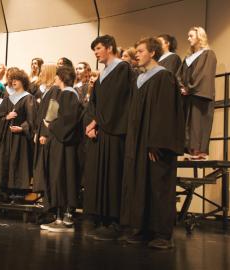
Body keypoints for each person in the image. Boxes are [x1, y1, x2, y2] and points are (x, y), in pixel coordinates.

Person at [120, 37, 184, 249]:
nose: (136, 54)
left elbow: (165, 114)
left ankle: (162, 234)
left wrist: (156, 143)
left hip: (155, 144)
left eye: (140, 51)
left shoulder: (164, 77)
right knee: (139, 184)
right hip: (137, 144)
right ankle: (141, 228)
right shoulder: (140, 79)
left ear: (153, 53)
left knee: (157, 185)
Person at [83, 35, 135, 241]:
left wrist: (97, 121)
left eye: (98, 48)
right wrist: (91, 123)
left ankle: (115, 221)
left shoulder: (122, 69)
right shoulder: (103, 73)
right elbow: (94, 101)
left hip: (115, 130)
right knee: (100, 174)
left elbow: (117, 101)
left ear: (110, 48)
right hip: (102, 130)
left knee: (114, 175)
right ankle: (102, 217)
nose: (95, 53)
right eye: (94, 49)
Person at [40, 66, 82, 232]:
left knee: (65, 176)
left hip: (66, 146)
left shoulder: (70, 94)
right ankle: (58, 217)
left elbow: (68, 121)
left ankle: (66, 218)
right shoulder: (62, 94)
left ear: (62, 77)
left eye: (57, 76)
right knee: (57, 177)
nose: (55, 79)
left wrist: (51, 126)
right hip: (58, 142)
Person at [177, 27, 217, 160]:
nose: (188, 39)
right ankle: (191, 151)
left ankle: (200, 152)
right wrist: (182, 86)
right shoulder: (188, 57)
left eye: (191, 36)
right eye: (188, 36)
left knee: (199, 123)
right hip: (188, 95)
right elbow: (179, 74)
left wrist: (189, 88)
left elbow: (203, 74)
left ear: (200, 37)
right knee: (189, 124)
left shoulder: (208, 54)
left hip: (200, 95)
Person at [0, 70, 36, 198]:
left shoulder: (28, 97)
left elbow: (32, 120)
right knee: (7, 160)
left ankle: (19, 191)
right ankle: (6, 190)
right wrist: (7, 117)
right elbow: (0, 117)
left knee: (19, 161)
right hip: (8, 137)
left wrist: (22, 128)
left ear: (23, 81)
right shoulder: (8, 98)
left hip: (21, 139)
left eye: (16, 79)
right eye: (12, 79)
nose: (13, 82)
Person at [33, 64, 62, 206]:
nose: (40, 73)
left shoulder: (55, 89)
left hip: (47, 131)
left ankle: (47, 200)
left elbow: (52, 111)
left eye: (43, 71)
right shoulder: (48, 90)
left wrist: (45, 133)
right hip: (41, 130)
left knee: (45, 165)